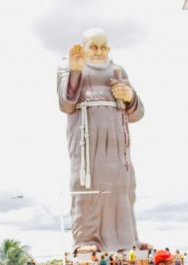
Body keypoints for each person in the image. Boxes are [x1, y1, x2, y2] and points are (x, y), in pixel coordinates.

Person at [58, 28, 144, 252]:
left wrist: (130, 96)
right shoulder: (68, 66)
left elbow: (137, 113)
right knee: (88, 186)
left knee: (121, 188)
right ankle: (87, 239)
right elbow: (66, 104)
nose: (98, 51)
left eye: (103, 47)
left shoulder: (118, 71)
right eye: (93, 46)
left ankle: (126, 241)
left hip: (117, 144)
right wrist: (75, 72)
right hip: (86, 142)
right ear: (83, 48)